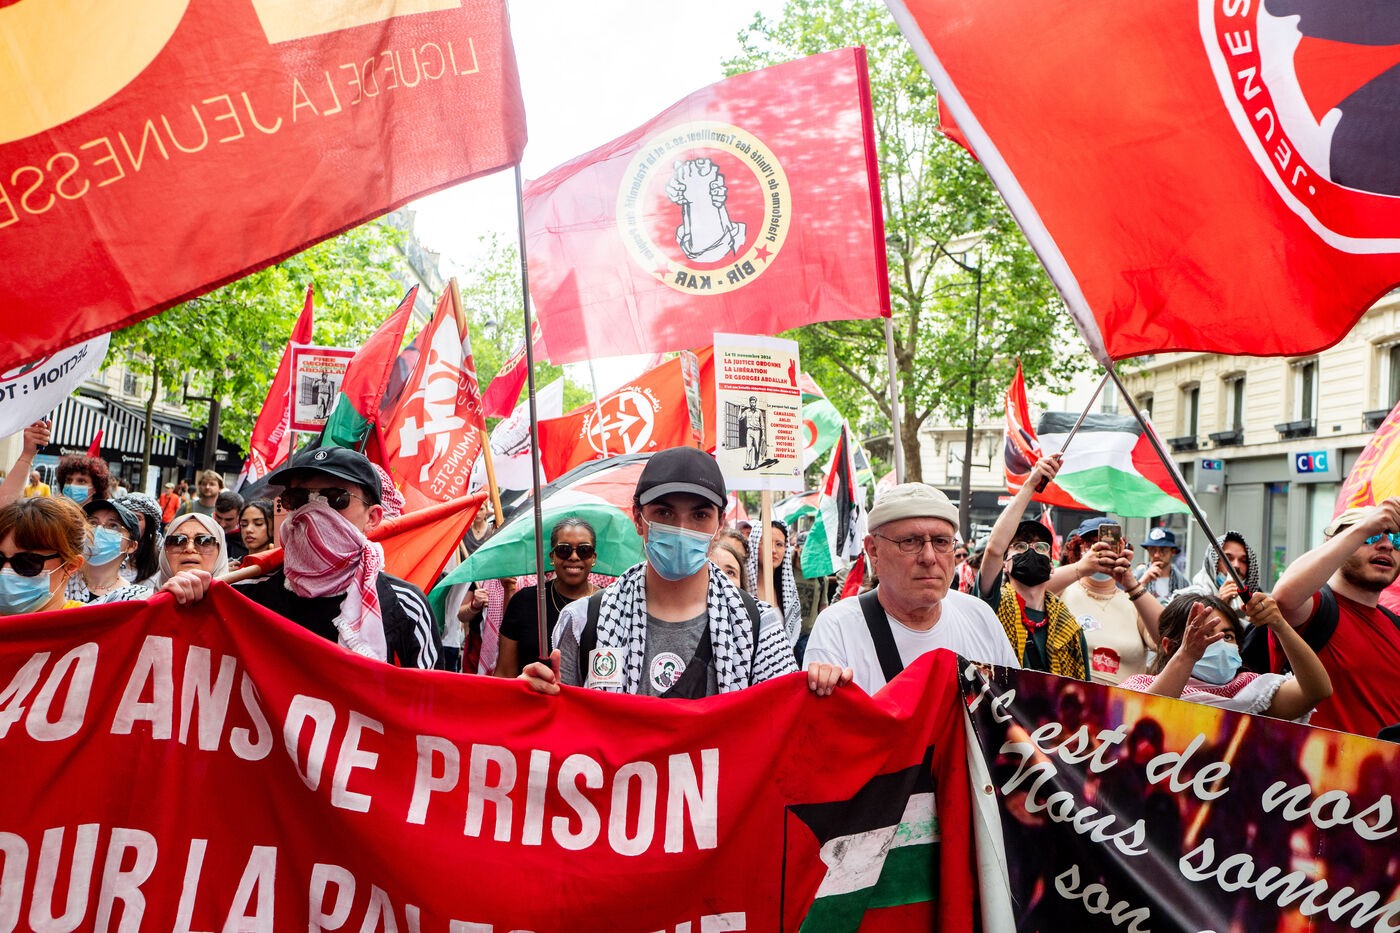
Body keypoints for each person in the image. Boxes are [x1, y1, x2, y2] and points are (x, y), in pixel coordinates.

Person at [522, 446, 817, 697]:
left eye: (699, 515)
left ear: (719, 525)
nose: (681, 529)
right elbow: (562, 732)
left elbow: (784, 722)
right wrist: (533, 698)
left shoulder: (760, 627)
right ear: (638, 518)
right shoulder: (585, 621)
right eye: (664, 513)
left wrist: (823, 688)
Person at [234, 447, 440, 669]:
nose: (313, 511)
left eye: (336, 498)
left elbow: (428, 690)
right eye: (298, 498)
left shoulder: (406, 607)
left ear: (372, 517)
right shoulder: (244, 596)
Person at [805, 483, 1019, 694]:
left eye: (941, 541)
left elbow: (1017, 707)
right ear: (873, 550)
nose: (929, 557)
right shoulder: (838, 629)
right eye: (909, 541)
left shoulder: (980, 618)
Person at [1270, 501, 1400, 737]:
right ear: (1334, 543)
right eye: (1372, 536)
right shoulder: (1315, 608)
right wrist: (1365, 526)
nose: (1387, 545)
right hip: (1314, 759)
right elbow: (1283, 599)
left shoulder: (1395, 626)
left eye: (1397, 540)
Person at [1121, 591, 1331, 722]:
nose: (1220, 643)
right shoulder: (1139, 686)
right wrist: (1186, 656)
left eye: (1228, 636)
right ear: (1170, 647)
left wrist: (1280, 626)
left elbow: (1316, 691)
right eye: (1205, 635)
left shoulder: (1252, 693)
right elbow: (1141, 718)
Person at [978, 455, 1089, 678]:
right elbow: (994, 549)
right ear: (1005, 565)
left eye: (1040, 547)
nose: (1031, 551)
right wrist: (1030, 484)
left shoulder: (1070, 628)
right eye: (1020, 546)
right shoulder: (992, 606)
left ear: (1051, 566)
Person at [1049, 517, 1162, 686]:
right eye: (1092, 544)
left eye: (1109, 546)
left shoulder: (1134, 602)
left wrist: (1132, 585)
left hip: (1124, 700)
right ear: (1081, 549)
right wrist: (1080, 569)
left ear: (1122, 549)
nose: (1102, 551)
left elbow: (1168, 639)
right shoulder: (1062, 591)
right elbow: (1029, 591)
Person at [496, 518, 603, 679]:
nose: (574, 557)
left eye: (584, 550)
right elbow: (504, 674)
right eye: (564, 550)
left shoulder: (609, 605)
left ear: (593, 557)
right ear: (552, 557)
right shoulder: (524, 602)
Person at [66, 498, 152, 604]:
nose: (98, 530)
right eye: (92, 523)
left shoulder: (135, 599)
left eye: (113, 526)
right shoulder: (60, 580)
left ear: (131, 546)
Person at [746, 518, 801, 647]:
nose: (773, 550)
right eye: (766, 542)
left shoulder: (787, 593)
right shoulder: (743, 588)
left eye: (779, 544)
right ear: (754, 546)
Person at [1180, 530, 1260, 616]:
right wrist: (1219, 604)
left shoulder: (1257, 600)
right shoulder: (1190, 599)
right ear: (1213, 564)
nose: (1236, 565)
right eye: (1228, 559)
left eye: (1243, 561)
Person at [159, 514, 229, 583]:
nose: (189, 548)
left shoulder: (233, 590)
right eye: (177, 541)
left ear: (220, 551)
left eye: (204, 541)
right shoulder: (151, 590)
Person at [116, 493, 163, 589]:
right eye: (124, 517)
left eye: (137, 518)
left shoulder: (160, 562)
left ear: (148, 526)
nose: (129, 522)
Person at [1134, 526, 1191, 604]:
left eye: (1162, 550)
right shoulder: (1137, 576)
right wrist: (1143, 581)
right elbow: (1126, 603)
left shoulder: (1183, 583)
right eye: (1152, 550)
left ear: (1173, 552)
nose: (1156, 555)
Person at [0, 420, 51, 507]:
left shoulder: (45, 487)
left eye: (33, 477)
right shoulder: (27, 488)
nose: (31, 478)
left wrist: (27, 455)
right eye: (31, 476)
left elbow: (5, 506)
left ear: (39, 478)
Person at [214, 490, 247, 563]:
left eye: (228, 519)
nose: (222, 524)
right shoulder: (205, 529)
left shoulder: (247, 537)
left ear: (240, 516)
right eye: (218, 517)